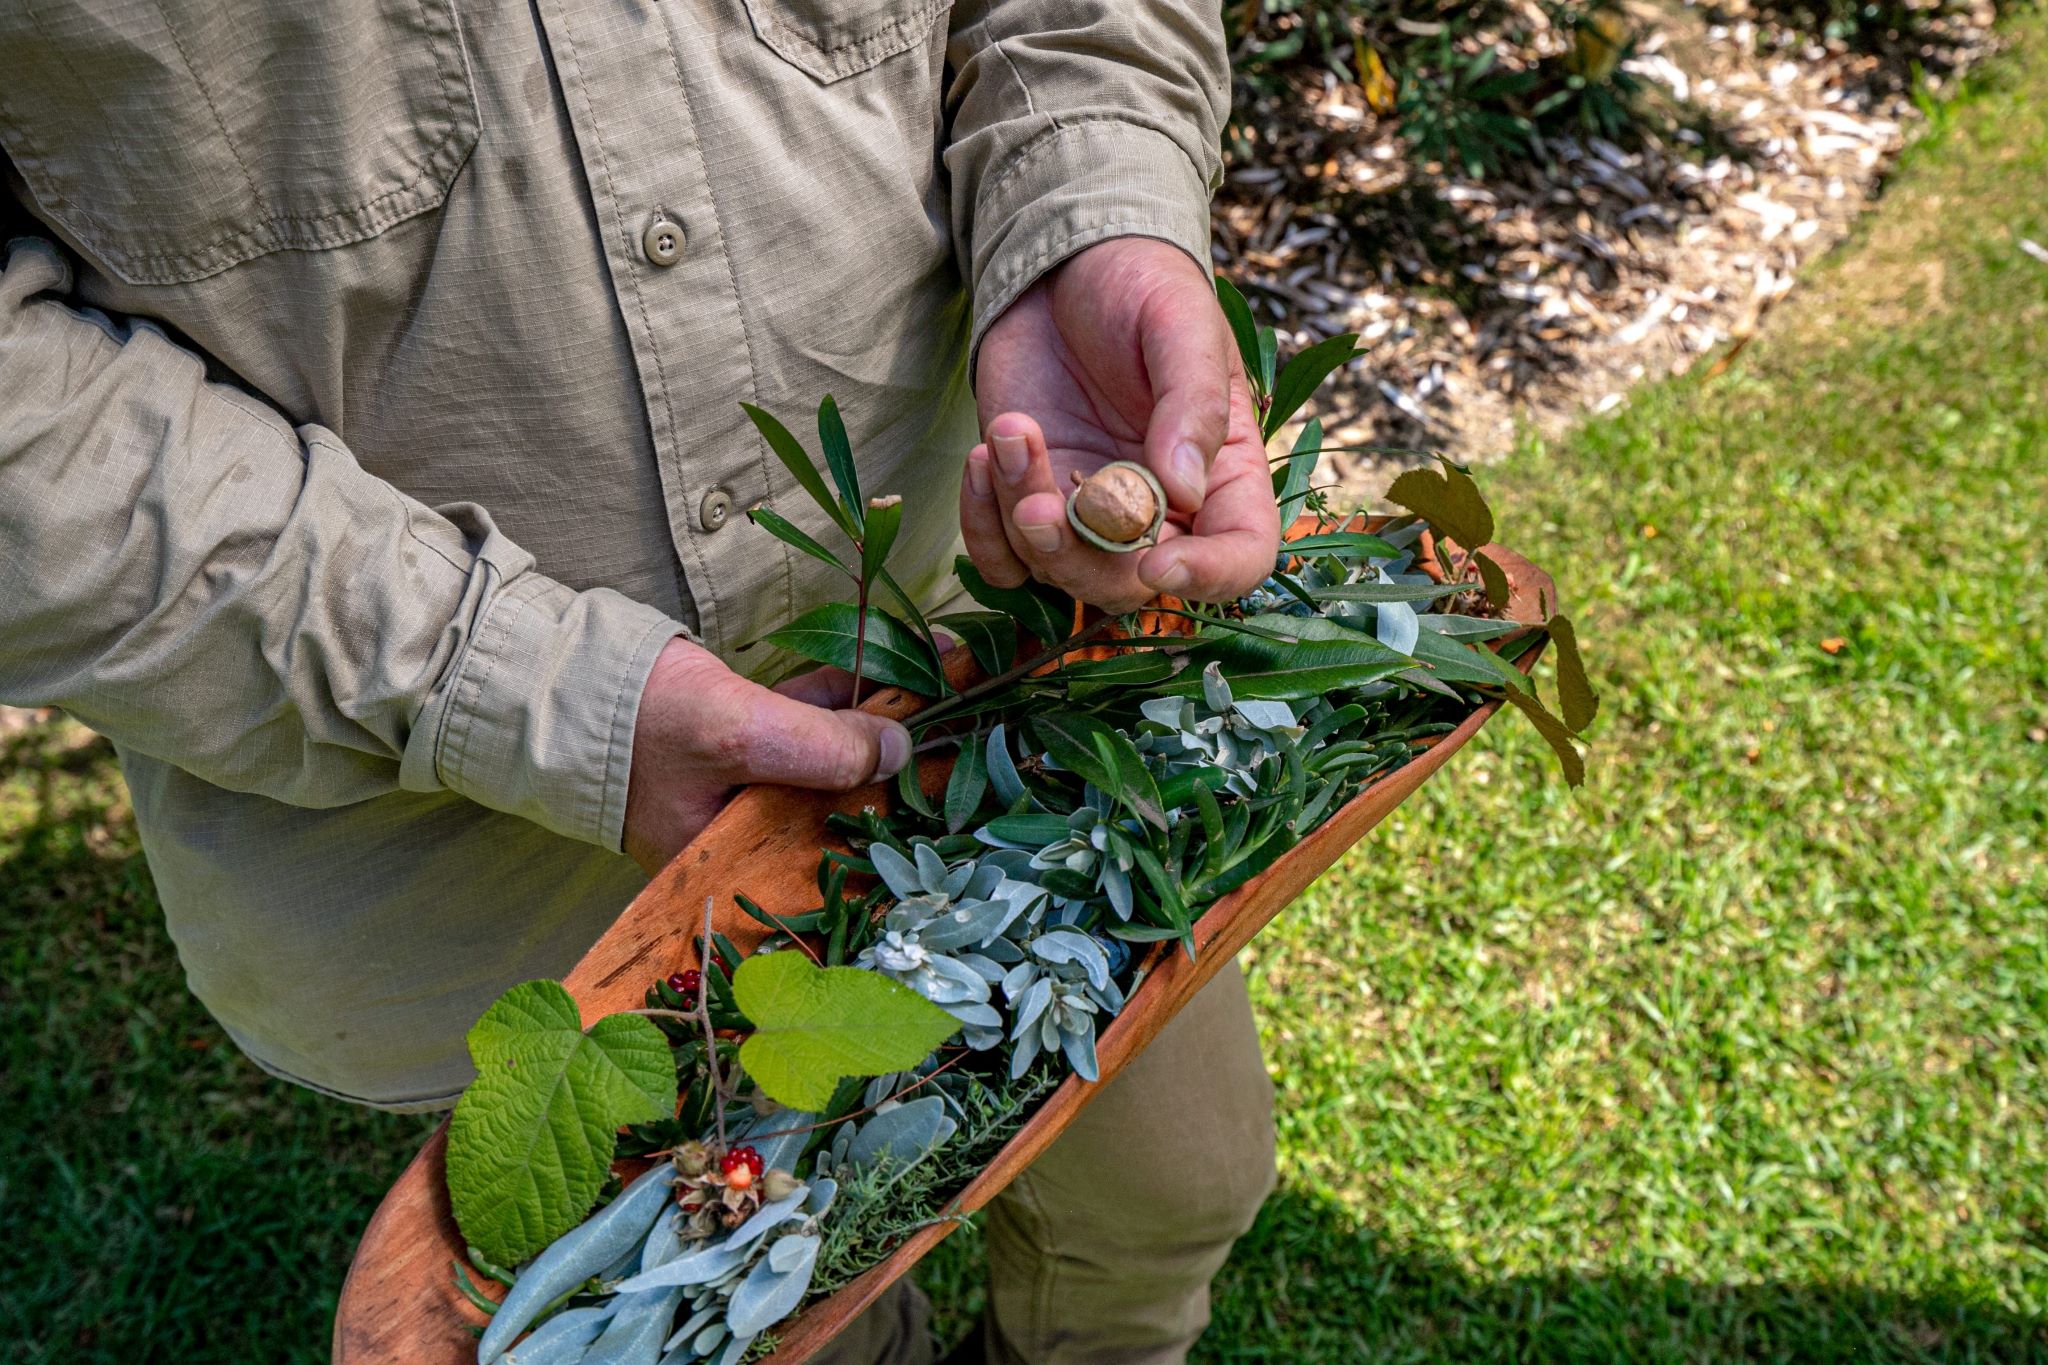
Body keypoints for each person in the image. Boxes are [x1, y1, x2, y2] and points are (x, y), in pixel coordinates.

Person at [0, 2, 1281, 1359]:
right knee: (765, 1309)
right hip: (470, 848)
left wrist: (1093, 205)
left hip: (985, 654)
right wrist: (513, 683)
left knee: (1178, 1184)